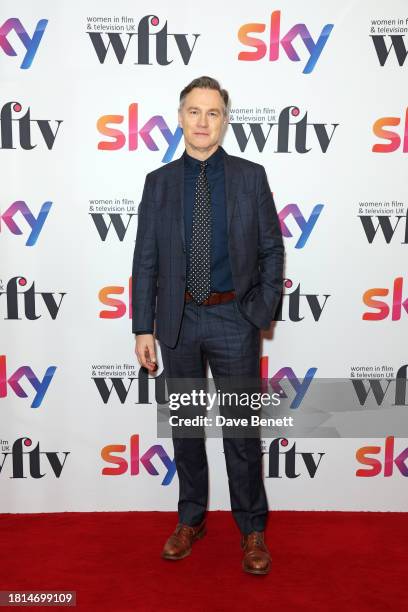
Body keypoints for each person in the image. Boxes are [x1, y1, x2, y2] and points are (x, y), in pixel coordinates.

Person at [132, 76, 284, 575]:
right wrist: (144, 327)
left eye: (213, 112)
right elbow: (146, 259)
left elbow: (270, 249)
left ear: (225, 119)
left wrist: (257, 314)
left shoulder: (249, 176)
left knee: (242, 432)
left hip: (232, 318)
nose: (202, 121)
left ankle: (252, 529)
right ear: (180, 117)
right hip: (177, 321)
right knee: (187, 429)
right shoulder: (159, 183)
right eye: (194, 111)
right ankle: (191, 519)